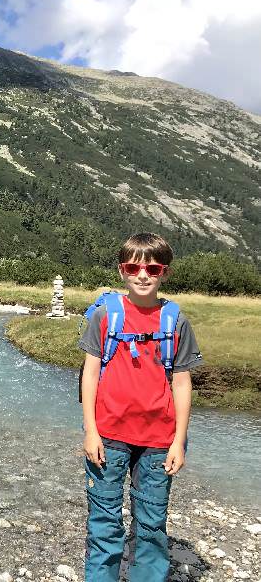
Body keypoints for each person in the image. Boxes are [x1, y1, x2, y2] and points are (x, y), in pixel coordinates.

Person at [78, 233, 203, 581]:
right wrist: (90, 431)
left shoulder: (176, 321)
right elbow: (89, 376)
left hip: (159, 439)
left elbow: (181, 382)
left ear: (165, 272)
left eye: (153, 267)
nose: (143, 274)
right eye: (134, 267)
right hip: (108, 434)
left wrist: (179, 441)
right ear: (122, 271)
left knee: (151, 522)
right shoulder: (104, 316)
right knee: (104, 522)